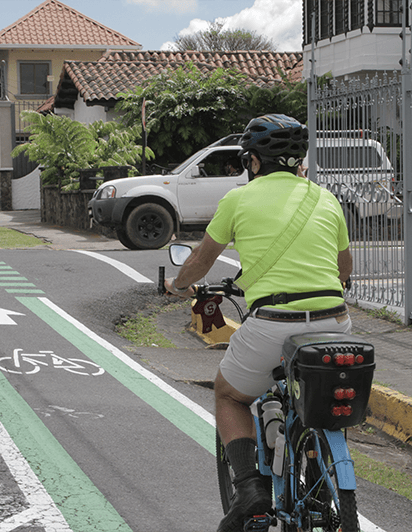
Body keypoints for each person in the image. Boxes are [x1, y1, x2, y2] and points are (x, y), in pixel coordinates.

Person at [164, 114, 353, 532]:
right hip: (334, 322)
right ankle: (318, 473)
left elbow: (200, 259)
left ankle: (249, 488)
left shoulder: (238, 200)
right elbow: (344, 270)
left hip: (272, 322)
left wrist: (178, 286)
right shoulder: (326, 199)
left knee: (229, 394)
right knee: (319, 401)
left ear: (253, 162)